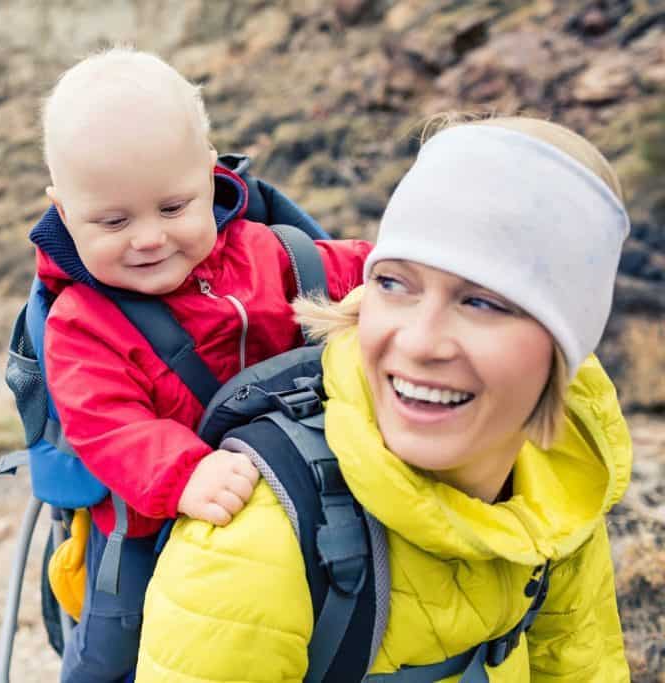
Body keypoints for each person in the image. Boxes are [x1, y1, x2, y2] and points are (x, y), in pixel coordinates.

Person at [136, 116, 633, 682]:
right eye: (394, 284)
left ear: (567, 341)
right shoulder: (251, 548)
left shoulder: (561, 485)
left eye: (483, 303)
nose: (418, 342)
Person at [32, 47, 373, 682]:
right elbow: (106, 424)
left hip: (308, 480)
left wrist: (409, 275)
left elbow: (363, 268)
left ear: (208, 174)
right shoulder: (82, 320)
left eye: (172, 207)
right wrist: (184, 472)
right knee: (116, 641)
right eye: (112, 220)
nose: (149, 238)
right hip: (153, 515)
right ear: (62, 209)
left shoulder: (269, 254)